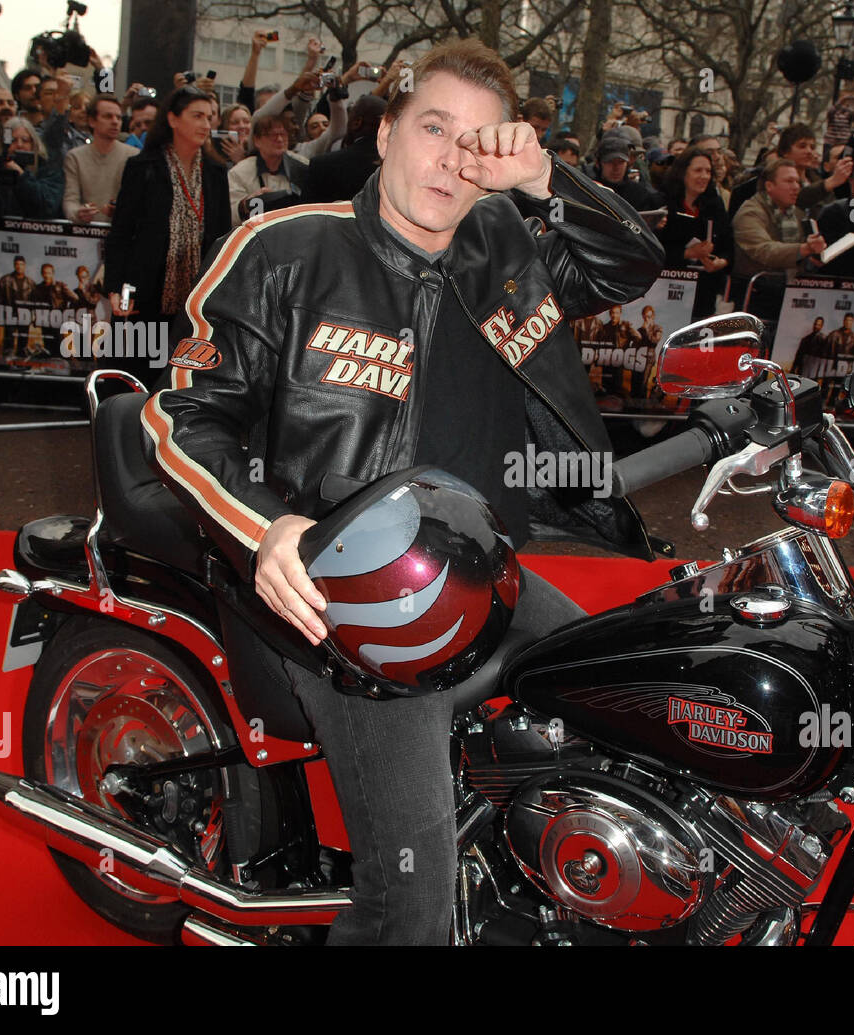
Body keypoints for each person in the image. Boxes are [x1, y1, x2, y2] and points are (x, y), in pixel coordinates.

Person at [138, 38, 664, 945]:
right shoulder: (286, 250)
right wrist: (269, 531)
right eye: (432, 128)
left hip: (478, 570)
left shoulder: (505, 244)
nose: (450, 160)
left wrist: (547, 176)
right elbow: (184, 415)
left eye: (476, 143)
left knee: (629, 701)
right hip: (341, 600)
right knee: (409, 907)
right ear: (385, 134)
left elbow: (629, 264)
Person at [104, 86, 231, 386]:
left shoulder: (216, 171)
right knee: (134, 374)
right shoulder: (143, 167)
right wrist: (115, 288)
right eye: (197, 116)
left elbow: (221, 237)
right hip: (144, 290)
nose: (205, 124)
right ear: (173, 120)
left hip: (195, 296)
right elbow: (121, 232)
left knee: (180, 379)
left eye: (209, 117)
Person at [658, 145, 733, 318]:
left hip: (704, 294)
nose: (704, 176)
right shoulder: (662, 202)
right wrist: (687, 253)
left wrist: (721, 262)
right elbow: (652, 249)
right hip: (666, 291)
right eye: (698, 170)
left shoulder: (715, 205)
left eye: (708, 171)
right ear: (683, 172)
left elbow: (728, 245)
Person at [732, 156, 825, 281]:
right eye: (789, 181)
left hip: (791, 286)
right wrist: (804, 249)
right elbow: (765, 251)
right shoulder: (750, 213)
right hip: (757, 288)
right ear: (769, 186)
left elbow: (802, 255)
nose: (796, 187)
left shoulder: (798, 214)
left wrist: (814, 257)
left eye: (798, 182)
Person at [0, 116, 64, 220]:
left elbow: (47, 207)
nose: (19, 145)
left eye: (25, 140)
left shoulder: (49, 166)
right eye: (13, 141)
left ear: (34, 143)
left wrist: (21, 175)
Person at [63, 94, 138, 223]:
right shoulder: (75, 157)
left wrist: (122, 210)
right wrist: (78, 213)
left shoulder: (134, 156)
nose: (115, 121)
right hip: (85, 233)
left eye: (119, 118)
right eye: (108, 116)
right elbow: (70, 200)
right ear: (92, 121)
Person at [301, 94, 386, 203]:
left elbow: (306, 217)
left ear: (357, 122)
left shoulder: (322, 166)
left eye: (350, 114)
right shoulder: (398, 165)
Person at [228, 114, 308, 223]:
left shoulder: (302, 165)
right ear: (256, 140)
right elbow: (229, 215)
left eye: (283, 134)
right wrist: (246, 204)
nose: (279, 139)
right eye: (272, 135)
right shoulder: (239, 173)